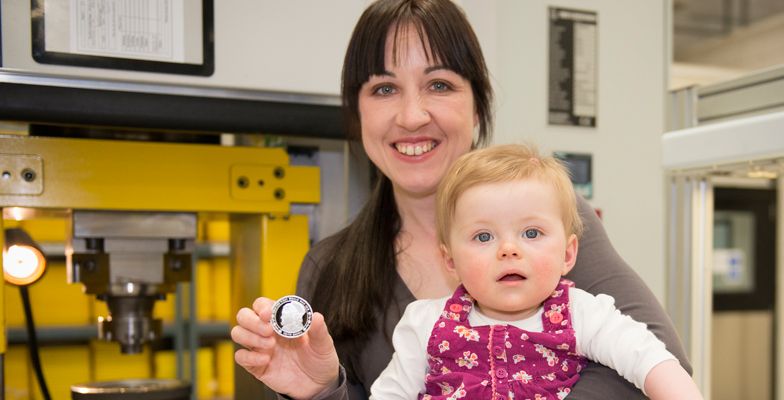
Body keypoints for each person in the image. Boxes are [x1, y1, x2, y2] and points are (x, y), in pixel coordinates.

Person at [231, 0, 691, 399]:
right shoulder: (329, 267)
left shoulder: (552, 223)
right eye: (384, 89)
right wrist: (319, 391)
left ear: (478, 105)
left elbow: (655, 361)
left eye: (439, 85)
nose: (412, 116)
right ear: (358, 113)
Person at [369, 144, 701, 399]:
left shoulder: (581, 313)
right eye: (483, 236)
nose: (508, 249)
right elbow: (390, 394)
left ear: (568, 253)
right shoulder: (424, 323)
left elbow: (651, 361)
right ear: (450, 260)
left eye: (531, 233)